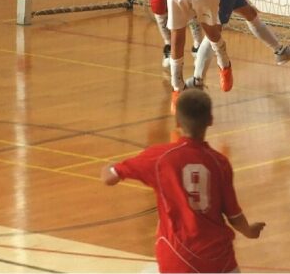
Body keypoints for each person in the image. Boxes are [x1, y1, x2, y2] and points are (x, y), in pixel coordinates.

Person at [101, 89, 265, 272]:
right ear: (210, 120)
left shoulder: (159, 158)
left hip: (178, 258)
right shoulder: (220, 163)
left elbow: (110, 178)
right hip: (219, 259)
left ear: (177, 122)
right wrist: (250, 231)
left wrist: (108, 167)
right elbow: (234, 215)